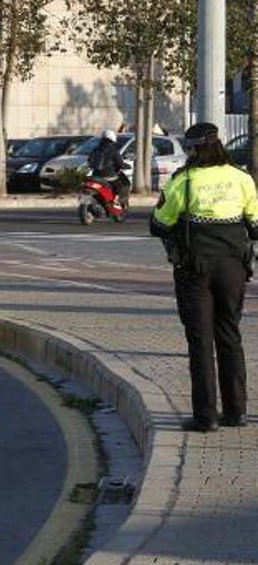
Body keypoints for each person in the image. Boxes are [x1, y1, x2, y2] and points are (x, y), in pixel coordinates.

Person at [150, 120, 258, 432]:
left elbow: (159, 223)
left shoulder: (183, 180)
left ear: (196, 148)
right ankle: (237, 412)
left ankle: (206, 416)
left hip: (194, 267)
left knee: (200, 341)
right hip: (233, 267)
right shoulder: (241, 179)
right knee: (230, 335)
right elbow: (255, 225)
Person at [88, 128, 130, 209]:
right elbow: (120, 164)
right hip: (109, 176)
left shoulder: (96, 149)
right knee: (122, 185)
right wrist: (127, 166)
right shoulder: (114, 150)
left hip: (95, 175)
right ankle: (116, 202)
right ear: (112, 139)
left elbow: (89, 160)